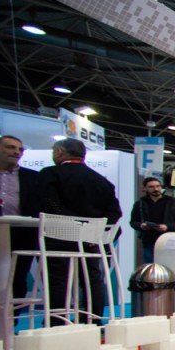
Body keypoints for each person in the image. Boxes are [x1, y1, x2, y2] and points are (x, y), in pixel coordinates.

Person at [37, 137, 122, 323]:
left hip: (58, 237)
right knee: (92, 278)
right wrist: (92, 231)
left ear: (59, 152)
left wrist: (72, 225)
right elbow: (115, 213)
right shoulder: (101, 181)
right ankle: (93, 320)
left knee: (57, 280)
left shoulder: (50, 174)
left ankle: (56, 321)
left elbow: (49, 204)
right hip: (90, 240)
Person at [0, 135, 42, 301]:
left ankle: (13, 315)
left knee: (17, 276)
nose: (17, 152)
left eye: (20, 149)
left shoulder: (33, 177)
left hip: (22, 234)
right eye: (11, 147)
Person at [130, 176, 175, 264]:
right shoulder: (140, 204)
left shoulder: (173, 202)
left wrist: (167, 227)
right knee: (151, 266)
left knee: (170, 265)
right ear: (145, 188)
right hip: (149, 241)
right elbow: (133, 222)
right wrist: (141, 226)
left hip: (169, 241)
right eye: (151, 187)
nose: (156, 189)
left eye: (158, 186)